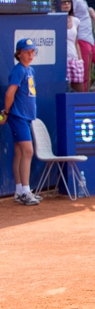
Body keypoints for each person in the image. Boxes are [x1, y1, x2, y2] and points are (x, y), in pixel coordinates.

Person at [1, 38, 41, 206]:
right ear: (19, 53)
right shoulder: (19, 71)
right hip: (18, 117)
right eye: (27, 52)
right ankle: (25, 191)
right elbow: (10, 94)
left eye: (32, 52)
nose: (30, 55)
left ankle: (19, 191)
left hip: (25, 117)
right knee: (28, 152)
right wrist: (7, 112)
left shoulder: (29, 70)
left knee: (19, 152)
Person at [61, 0, 86, 93]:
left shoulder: (76, 21)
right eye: (63, 2)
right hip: (62, 61)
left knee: (80, 92)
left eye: (69, 1)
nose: (67, 4)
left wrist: (80, 60)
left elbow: (76, 42)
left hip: (74, 59)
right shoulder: (55, 21)